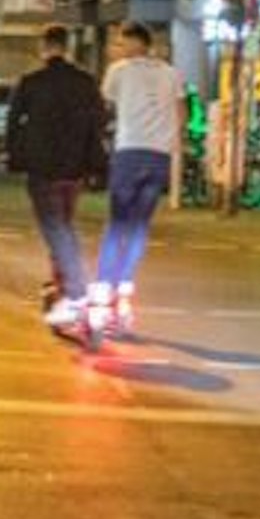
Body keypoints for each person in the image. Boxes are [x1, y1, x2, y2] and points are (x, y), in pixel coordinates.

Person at [5, 25, 107, 332]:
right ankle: (61, 284)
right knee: (63, 224)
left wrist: (14, 155)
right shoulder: (86, 83)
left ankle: (76, 292)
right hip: (74, 168)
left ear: (44, 48)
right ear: (68, 47)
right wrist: (94, 164)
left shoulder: (32, 83)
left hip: (43, 167)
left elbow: (14, 123)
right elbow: (98, 124)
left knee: (55, 228)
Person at [92, 19, 185, 334]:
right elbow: (181, 113)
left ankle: (104, 290)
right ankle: (124, 291)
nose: (119, 48)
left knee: (118, 223)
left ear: (135, 42)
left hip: (129, 151)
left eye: (122, 42)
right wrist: (174, 146)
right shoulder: (171, 73)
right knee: (139, 226)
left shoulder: (119, 71)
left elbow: (107, 104)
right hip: (158, 155)